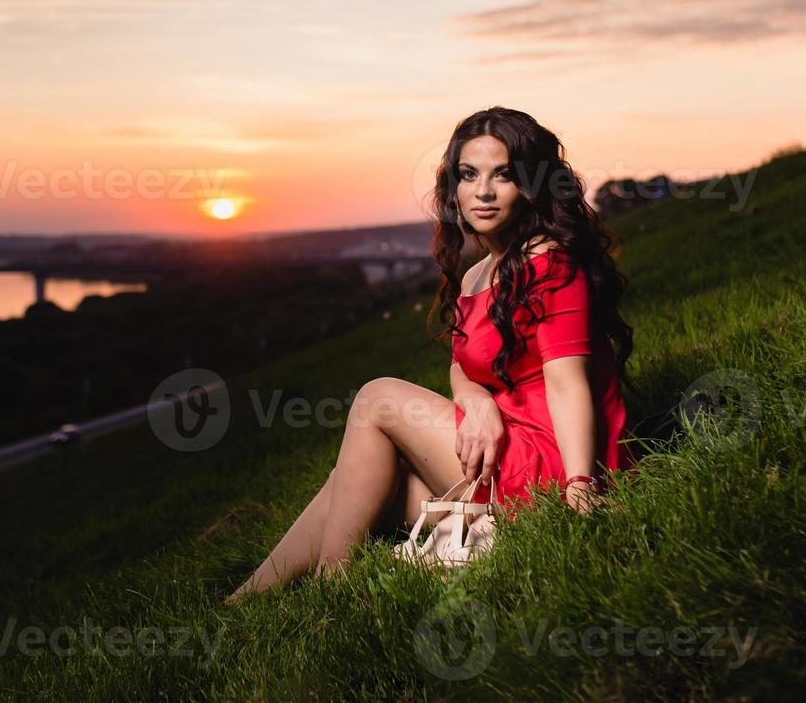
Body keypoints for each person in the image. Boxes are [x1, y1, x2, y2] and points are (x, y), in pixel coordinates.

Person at [226, 106, 635, 603]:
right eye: (468, 174)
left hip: (549, 462)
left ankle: (333, 592)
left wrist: (579, 488)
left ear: (531, 185)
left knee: (378, 397)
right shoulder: (478, 274)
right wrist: (476, 400)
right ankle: (242, 602)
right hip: (500, 448)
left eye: (503, 175)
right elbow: (465, 363)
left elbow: (568, 382)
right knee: (353, 483)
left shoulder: (548, 263)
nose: (482, 191)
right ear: (453, 187)